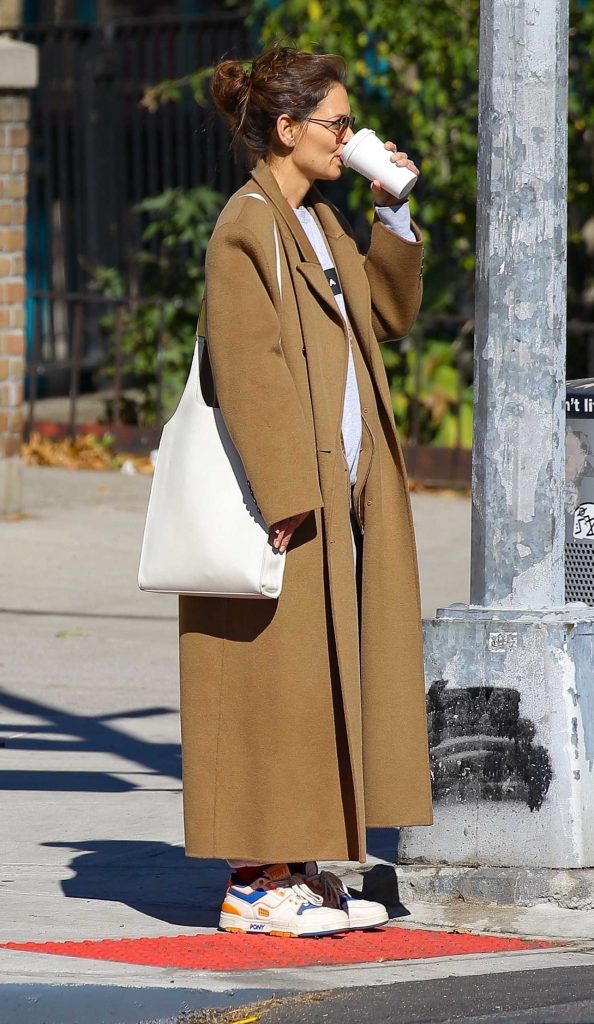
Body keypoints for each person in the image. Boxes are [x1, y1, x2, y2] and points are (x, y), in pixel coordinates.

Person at [178, 44, 433, 938]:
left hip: (344, 495)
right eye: (336, 123)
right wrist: (289, 495)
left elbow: (389, 315)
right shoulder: (245, 226)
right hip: (287, 500)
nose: (348, 136)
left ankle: (300, 868)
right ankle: (254, 883)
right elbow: (249, 369)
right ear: (286, 130)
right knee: (271, 687)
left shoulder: (320, 221)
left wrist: (390, 211)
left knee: (325, 684)